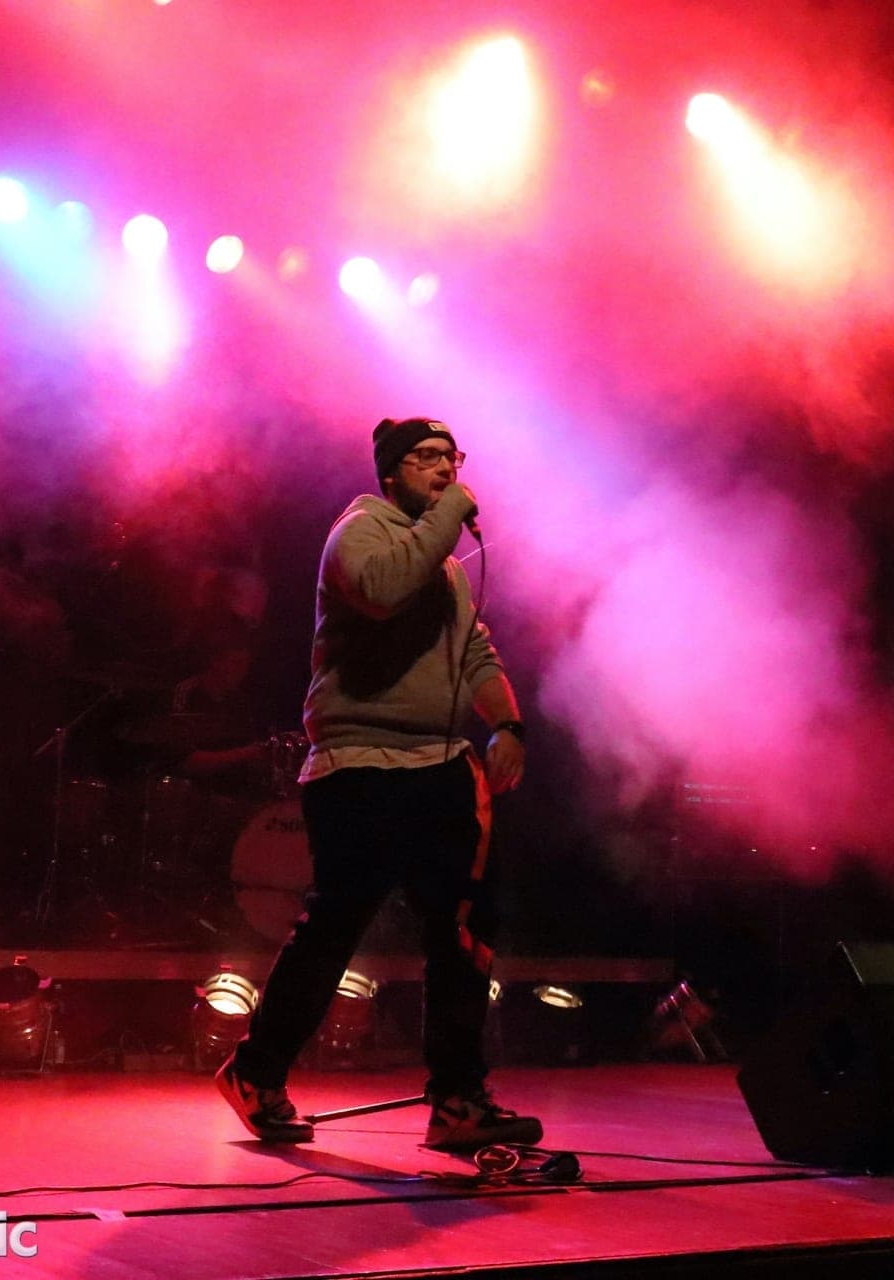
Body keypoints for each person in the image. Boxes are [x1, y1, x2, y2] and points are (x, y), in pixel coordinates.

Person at [215, 416, 540, 1151]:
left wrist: (508, 726)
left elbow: (476, 654)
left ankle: (457, 1098)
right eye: (425, 458)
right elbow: (384, 589)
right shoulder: (359, 532)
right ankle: (256, 1071)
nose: (444, 470)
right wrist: (450, 517)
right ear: (390, 474)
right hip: (361, 765)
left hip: (442, 768)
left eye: (451, 458)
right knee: (335, 927)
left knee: (462, 933)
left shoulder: (446, 568)